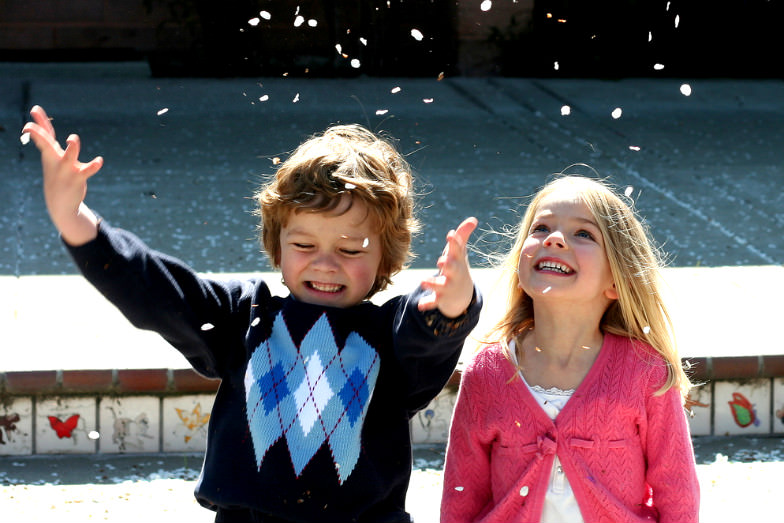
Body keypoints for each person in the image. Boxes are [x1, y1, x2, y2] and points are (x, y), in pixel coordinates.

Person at [23, 105, 482, 523]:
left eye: (349, 248)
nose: (325, 262)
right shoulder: (246, 317)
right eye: (304, 244)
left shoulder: (391, 337)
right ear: (276, 245)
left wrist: (452, 303)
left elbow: (430, 334)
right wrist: (75, 219)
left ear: (386, 258)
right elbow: (159, 292)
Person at [440, 175, 699, 522]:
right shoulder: (487, 370)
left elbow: (678, 492)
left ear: (616, 281)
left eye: (584, 234)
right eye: (541, 228)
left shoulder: (645, 371)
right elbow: (461, 493)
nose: (555, 239)